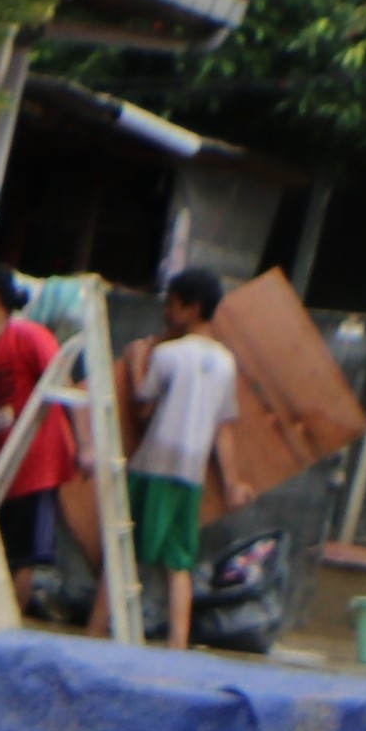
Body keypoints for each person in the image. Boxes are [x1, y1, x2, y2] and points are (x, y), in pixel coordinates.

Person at [125, 267, 243, 645]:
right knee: (179, 562)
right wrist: (231, 483)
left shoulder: (167, 354)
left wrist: (134, 365)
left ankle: (97, 631)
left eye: (171, 304)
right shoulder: (226, 363)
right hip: (190, 474)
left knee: (126, 553)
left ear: (190, 308)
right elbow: (222, 428)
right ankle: (178, 644)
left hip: (152, 466)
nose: (165, 312)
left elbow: (142, 411)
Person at [0, 260, 79, 605]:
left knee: (22, 556)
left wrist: (85, 446)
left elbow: (67, 387)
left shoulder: (29, 337)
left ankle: (8, 624)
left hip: (34, 463)